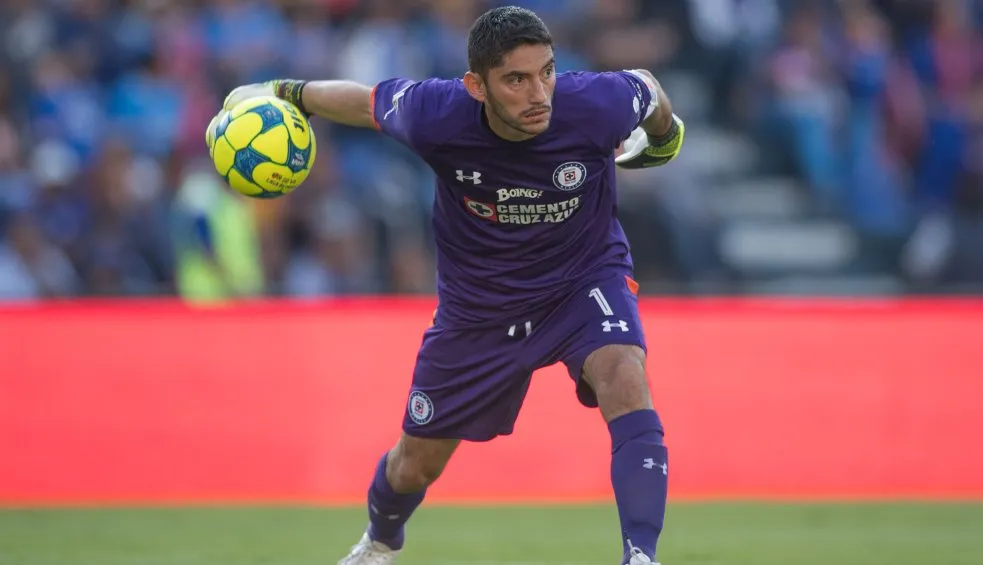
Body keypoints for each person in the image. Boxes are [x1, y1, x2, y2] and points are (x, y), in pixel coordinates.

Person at [212, 6, 685, 565]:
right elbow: (362, 103)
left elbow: (650, 91)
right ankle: (380, 541)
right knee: (417, 462)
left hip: (582, 280)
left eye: (547, 72)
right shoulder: (435, 113)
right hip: (480, 310)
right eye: (516, 79)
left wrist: (662, 141)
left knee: (624, 374)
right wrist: (280, 89)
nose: (539, 93)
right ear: (475, 86)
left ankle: (640, 556)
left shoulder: (594, 103)